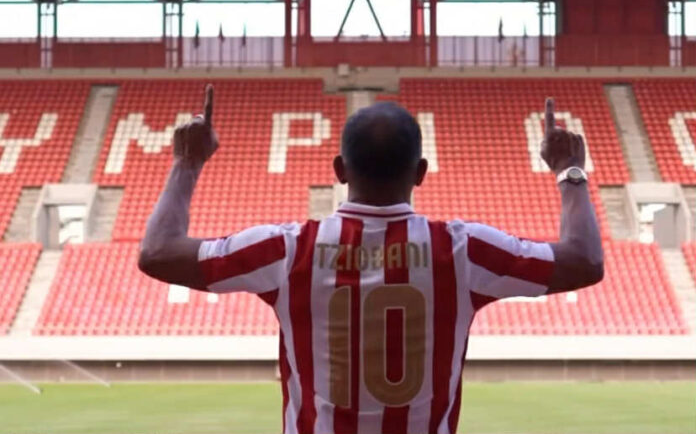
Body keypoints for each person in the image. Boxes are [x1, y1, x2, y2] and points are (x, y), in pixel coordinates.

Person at [139, 84, 604, 434]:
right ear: (420, 173)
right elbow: (584, 260)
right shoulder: (463, 250)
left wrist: (187, 162)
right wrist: (569, 170)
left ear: (340, 170)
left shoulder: (287, 249)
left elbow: (158, 252)